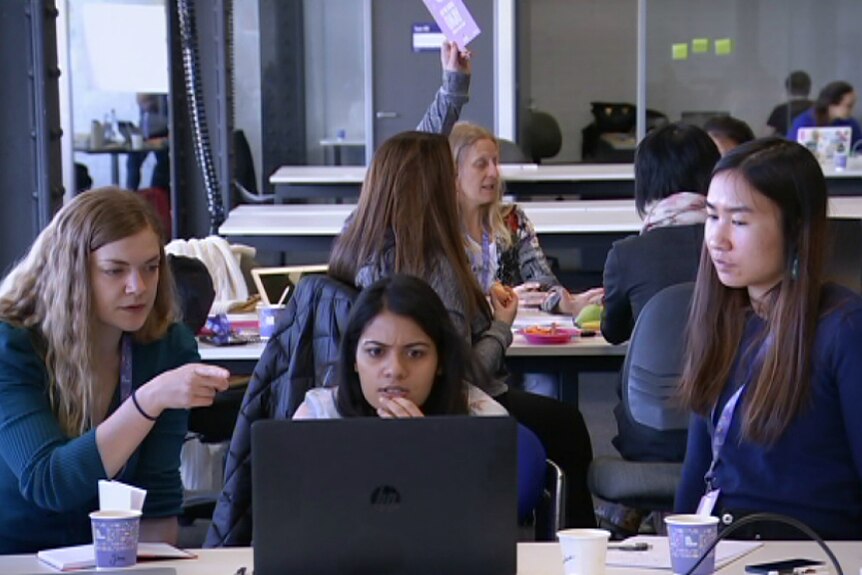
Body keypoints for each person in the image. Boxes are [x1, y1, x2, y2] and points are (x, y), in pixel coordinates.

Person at [329, 131, 596, 528]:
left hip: (374, 405)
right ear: (437, 185)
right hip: (443, 405)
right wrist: (501, 327)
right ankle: (574, 544)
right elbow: (465, 373)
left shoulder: (359, 247)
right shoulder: (435, 265)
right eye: (457, 172)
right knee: (568, 426)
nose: (487, 175)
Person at [0, 188, 230, 553]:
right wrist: (146, 402)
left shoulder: (168, 348)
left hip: (111, 560)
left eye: (151, 267)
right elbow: (49, 481)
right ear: (71, 273)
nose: (137, 287)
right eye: (115, 270)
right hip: (17, 557)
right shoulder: (12, 345)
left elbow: (157, 503)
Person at [674, 138, 862, 540]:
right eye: (712, 216)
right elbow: (696, 473)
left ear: (795, 229)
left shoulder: (843, 327)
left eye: (739, 222)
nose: (717, 240)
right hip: (724, 547)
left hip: (816, 552)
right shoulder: (723, 318)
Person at [293, 274, 505, 419]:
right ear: (354, 359)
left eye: (415, 353)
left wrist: (425, 448)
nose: (395, 370)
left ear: (440, 361)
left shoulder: (483, 420)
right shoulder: (318, 416)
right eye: (376, 352)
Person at [788, 80, 862, 147]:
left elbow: (858, 147)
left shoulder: (850, 123)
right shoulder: (805, 122)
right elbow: (791, 149)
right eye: (849, 106)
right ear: (832, 104)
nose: (852, 111)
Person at [126, 93, 170, 191]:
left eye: (146, 103)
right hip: (146, 136)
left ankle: (157, 192)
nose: (144, 108)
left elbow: (173, 132)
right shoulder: (144, 110)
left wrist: (162, 140)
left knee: (164, 164)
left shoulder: (165, 105)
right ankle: (131, 191)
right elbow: (144, 123)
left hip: (163, 135)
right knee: (133, 160)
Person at [766, 70, 812, 137]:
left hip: (788, 146)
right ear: (809, 88)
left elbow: (765, 137)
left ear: (788, 89)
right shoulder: (820, 109)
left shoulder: (780, 111)